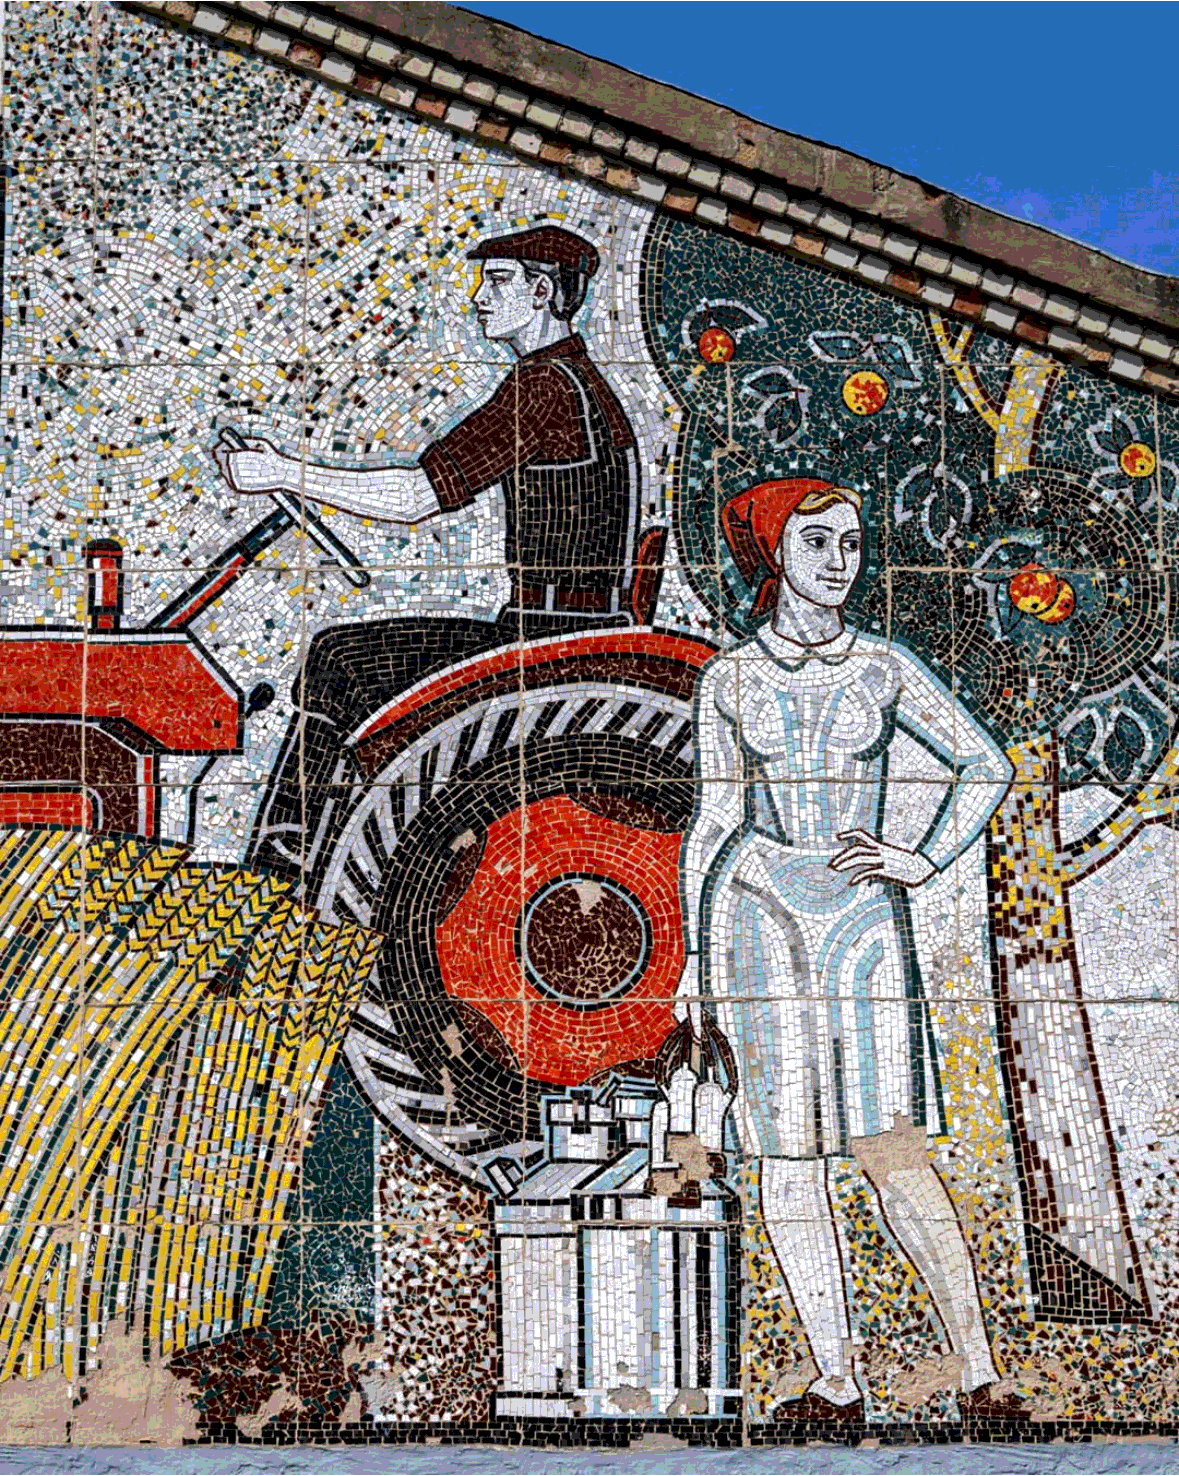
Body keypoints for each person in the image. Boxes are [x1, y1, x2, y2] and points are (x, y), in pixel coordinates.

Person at [675, 476, 1022, 1420]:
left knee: (890, 1149)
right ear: (773, 553)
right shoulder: (730, 680)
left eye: (853, 543)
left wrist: (920, 858)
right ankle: (836, 1381)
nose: (840, 562)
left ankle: (978, 1371)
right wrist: (695, 962)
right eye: (818, 542)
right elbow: (714, 818)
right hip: (758, 918)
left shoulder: (882, 667)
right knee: (787, 1159)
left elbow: (984, 764)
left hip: (862, 920)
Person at [215, 225, 642, 889]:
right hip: (559, 627)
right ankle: (304, 859)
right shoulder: (575, 381)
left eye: (497, 280)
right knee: (348, 662)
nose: (478, 297)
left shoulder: (545, 390)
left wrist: (283, 473)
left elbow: (417, 495)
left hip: (546, 641)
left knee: (337, 661)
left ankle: (277, 875)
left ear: (542, 292)